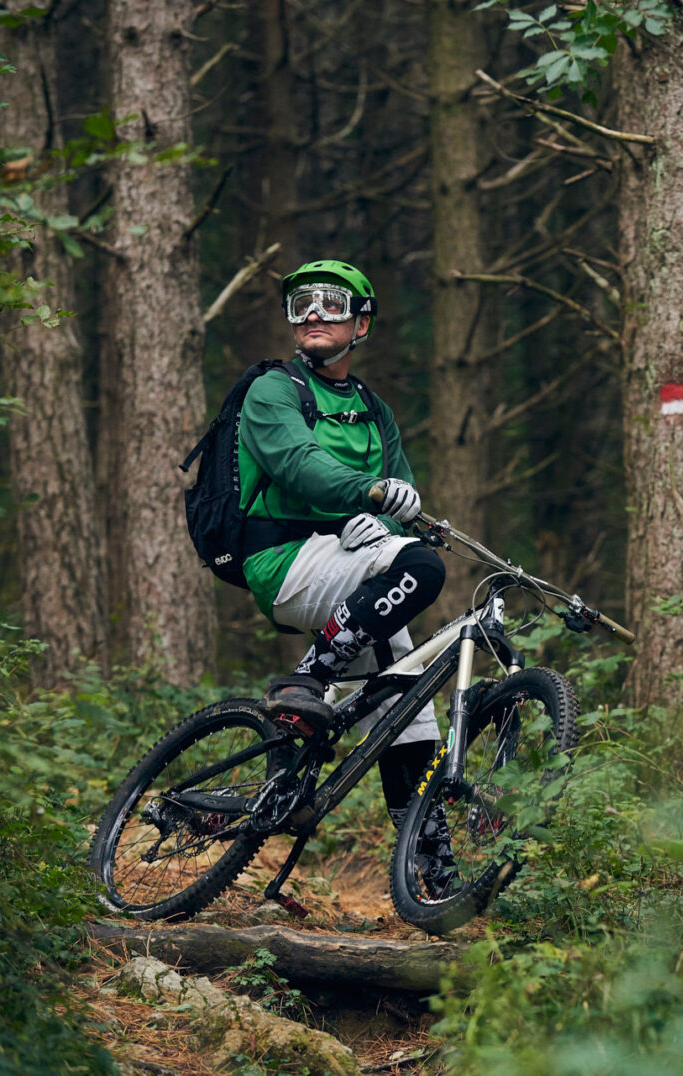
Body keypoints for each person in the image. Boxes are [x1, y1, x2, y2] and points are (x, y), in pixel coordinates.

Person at [235, 258, 453, 889]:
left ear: (362, 323)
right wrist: (370, 496)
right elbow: (299, 465)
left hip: (350, 563)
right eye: (300, 304)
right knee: (421, 569)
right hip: (283, 560)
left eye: (329, 302)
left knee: (408, 703)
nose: (312, 314)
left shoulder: (373, 409)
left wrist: (385, 518)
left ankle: (428, 870)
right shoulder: (272, 390)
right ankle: (308, 678)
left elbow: (403, 489)